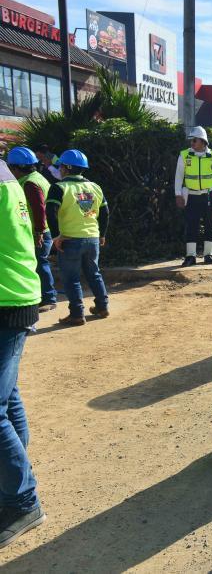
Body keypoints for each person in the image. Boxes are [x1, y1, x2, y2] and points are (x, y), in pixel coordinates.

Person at [0, 158, 45, 548]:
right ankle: (15, 480)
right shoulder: (10, 178)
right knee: (8, 397)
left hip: (5, 299)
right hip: (18, 293)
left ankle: (22, 498)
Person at [46, 149, 110, 326]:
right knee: (94, 273)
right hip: (92, 238)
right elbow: (105, 213)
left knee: (71, 277)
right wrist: (102, 234)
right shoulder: (95, 187)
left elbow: (50, 212)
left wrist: (56, 236)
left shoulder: (59, 188)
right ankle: (102, 306)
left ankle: (76, 314)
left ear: (66, 168)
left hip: (70, 239)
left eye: (61, 167)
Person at [6, 147, 56, 312]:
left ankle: (49, 298)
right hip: (43, 229)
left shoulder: (29, 183)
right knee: (40, 263)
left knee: (41, 264)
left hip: (39, 231)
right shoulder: (37, 177)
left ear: (16, 168)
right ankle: (45, 296)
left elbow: (39, 208)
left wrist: (39, 231)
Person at [174, 126, 212, 266]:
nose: (191, 143)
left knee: (210, 225)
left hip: (209, 196)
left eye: (194, 140)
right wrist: (177, 194)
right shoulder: (184, 155)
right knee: (191, 225)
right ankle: (190, 257)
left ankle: (208, 255)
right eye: (191, 140)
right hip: (191, 196)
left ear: (203, 141)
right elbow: (178, 176)